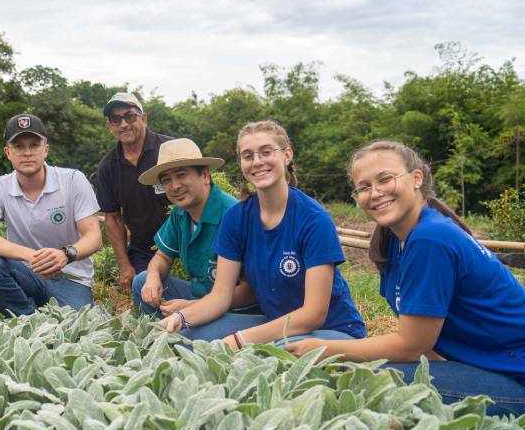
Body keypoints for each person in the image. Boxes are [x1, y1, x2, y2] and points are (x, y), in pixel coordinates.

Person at [286, 139, 525, 430]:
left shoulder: (431, 239)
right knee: (371, 373)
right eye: (364, 187)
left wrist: (323, 349)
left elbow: (411, 346)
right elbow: (426, 348)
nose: (375, 192)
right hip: (496, 370)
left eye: (385, 179)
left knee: (371, 385)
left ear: (417, 178)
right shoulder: (396, 241)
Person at [161, 120, 366, 346]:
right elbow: (220, 297)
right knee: (186, 338)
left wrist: (240, 340)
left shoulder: (314, 219)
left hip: (328, 331)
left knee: (266, 354)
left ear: (287, 155)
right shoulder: (235, 218)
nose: (257, 162)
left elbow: (312, 315)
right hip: (274, 323)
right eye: (248, 156)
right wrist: (181, 318)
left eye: (266, 152)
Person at [0, 114, 102, 317]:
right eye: (19, 146)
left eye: (34, 145)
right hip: (25, 275)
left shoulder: (73, 180)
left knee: (76, 328)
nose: (27, 153)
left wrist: (65, 254)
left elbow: (94, 237)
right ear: (8, 152)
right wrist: (30, 256)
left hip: (70, 278)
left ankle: (38, 319)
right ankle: (28, 319)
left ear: (46, 149)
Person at [132, 139, 257, 334]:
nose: (174, 186)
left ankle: (176, 336)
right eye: (166, 180)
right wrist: (153, 277)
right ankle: (160, 337)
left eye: (181, 174)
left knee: (189, 336)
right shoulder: (180, 213)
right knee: (142, 281)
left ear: (205, 175)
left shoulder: (234, 215)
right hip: (200, 295)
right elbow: (162, 256)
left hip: (239, 309)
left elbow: (251, 291)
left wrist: (192, 308)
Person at [96, 92, 173, 292]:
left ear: (143, 118)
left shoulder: (169, 150)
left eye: (129, 116)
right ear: (109, 125)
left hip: (183, 244)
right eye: (116, 119)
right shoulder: (107, 167)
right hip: (143, 250)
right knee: (146, 292)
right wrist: (124, 265)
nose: (124, 124)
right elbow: (113, 218)